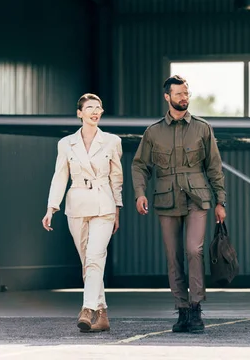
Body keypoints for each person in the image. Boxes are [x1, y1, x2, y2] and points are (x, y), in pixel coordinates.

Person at [131, 75, 227, 333]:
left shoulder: (202, 128)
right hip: (166, 199)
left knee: (193, 251)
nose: (184, 98)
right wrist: (139, 193)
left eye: (187, 93)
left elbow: (214, 167)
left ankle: (196, 308)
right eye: (179, 94)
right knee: (173, 256)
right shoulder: (153, 132)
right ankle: (182, 310)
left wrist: (221, 201)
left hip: (197, 198)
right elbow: (140, 165)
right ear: (167, 97)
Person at [42, 93, 123, 333]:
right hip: (76, 204)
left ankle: (87, 309)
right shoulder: (66, 144)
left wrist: (117, 208)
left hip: (104, 205)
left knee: (96, 257)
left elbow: (116, 177)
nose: (95, 111)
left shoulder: (111, 141)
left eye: (98, 107)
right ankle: (103, 313)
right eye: (90, 107)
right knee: (87, 263)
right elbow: (60, 176)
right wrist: (51, 208)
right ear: (80, 113)